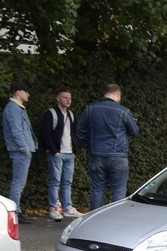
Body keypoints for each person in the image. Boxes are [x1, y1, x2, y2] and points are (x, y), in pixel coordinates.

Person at [75, 84, 140, 210]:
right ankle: (115, 221)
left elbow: (80, 131)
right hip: (118, 156)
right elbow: (134, 131)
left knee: (97, 189)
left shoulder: (90, 109)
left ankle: (93, 220)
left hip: (96, 155)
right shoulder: (123, 111)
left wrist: (86, 145)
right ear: (118, 95)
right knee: (118, 190)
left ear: (105, 93)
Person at [39, 88, 83, 221]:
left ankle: (67, 207)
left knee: (67, 182)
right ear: (58, 98)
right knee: (55, 181)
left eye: (70, 98)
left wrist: (74, 149)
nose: (68, 100)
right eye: (65, 97)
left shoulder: (71, 114)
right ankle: (54, 208)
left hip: (70, 153)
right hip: (57, 153)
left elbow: (74, 133)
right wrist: (54, 151)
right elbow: (44, 133)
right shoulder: (51, 113)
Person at [3, 81, 37, 224]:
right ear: (18, 92)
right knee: (18, 183)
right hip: (20, 151)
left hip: (22, 150)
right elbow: (16, 131)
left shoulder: (17, 108)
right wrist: (25, 149)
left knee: (19, 182)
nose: (28, 94)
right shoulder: (14, 109)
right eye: (26, 91)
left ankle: (15, 211)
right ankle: (15, 212)